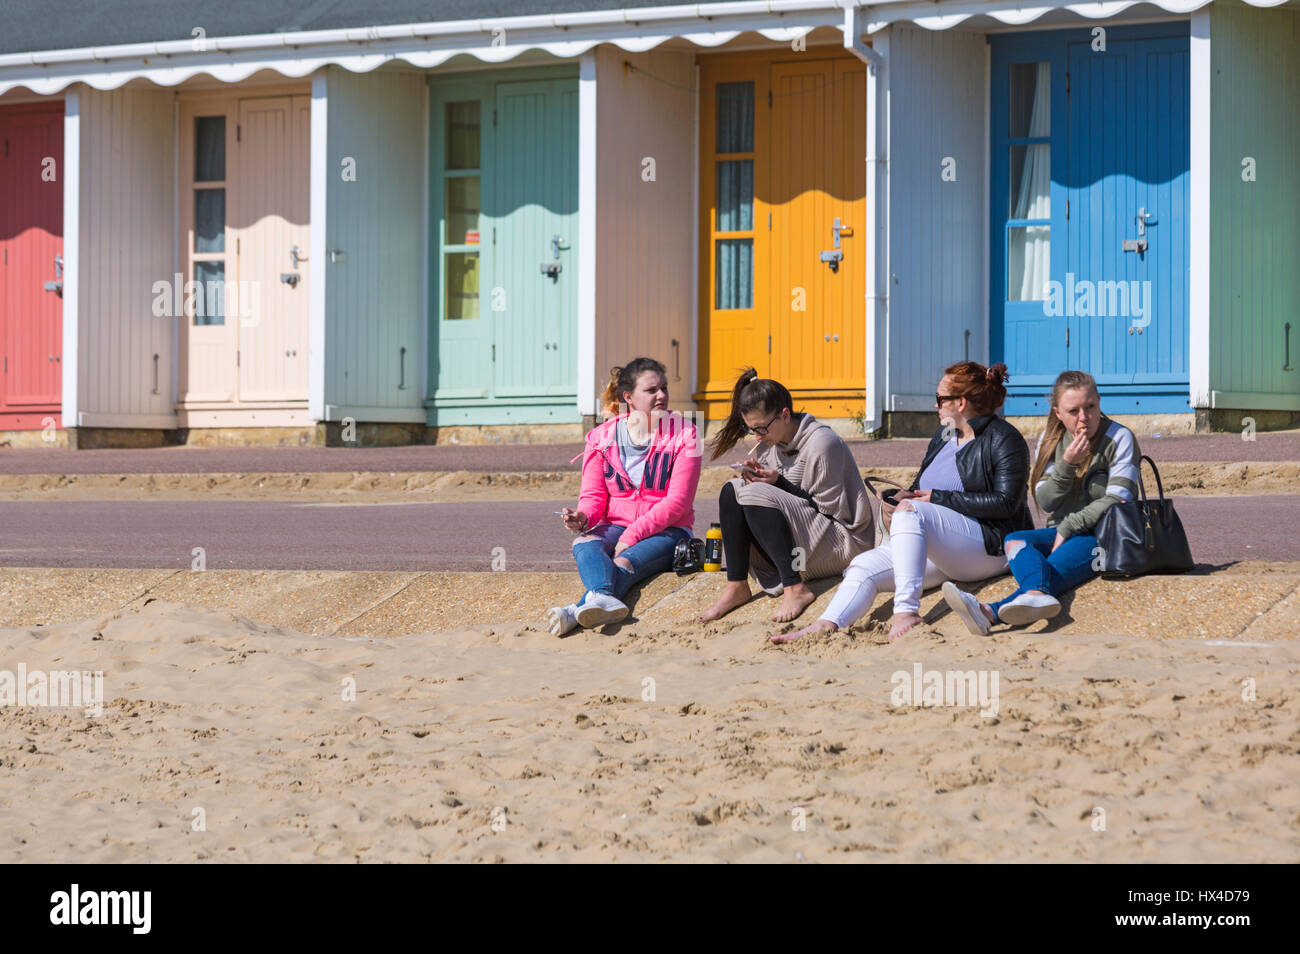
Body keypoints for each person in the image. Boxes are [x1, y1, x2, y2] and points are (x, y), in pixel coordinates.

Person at [776, 361, 1033, 643]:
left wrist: (936, 499)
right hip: (943, 550)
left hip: (990, 547)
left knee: (912, 513)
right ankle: (827, 624)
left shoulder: (1004, 438)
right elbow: (920, 488)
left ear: (960, 403)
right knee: (863, 565)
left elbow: (1006, 502)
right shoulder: (944, 435)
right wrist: (899, 497)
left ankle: (907, 612)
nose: (935, 407)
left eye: (939, 399)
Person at [944, 369, 1141, 634]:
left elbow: (1119, 498)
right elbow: (1046, 501)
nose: (1084, 418)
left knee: (1051, 569)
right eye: (1073, 411)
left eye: (1091, 407)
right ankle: (1013, 603)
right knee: (1015, 539)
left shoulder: (1119, 437)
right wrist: (1067, 465)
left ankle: (991, 612)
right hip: (1060, 531)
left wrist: (1069, 526)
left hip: (1106, 534)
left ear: (1099, 402)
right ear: (1058, 412)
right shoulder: (1051, 442)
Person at [698, 369, 874, 624]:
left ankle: (795, 588)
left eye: (761, 428)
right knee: (732, 490)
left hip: (842, 540)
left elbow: (830, 512)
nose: (758, 437)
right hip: (802, 541)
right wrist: (753, 477)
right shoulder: (773, 442)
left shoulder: (822, 443)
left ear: (784, 414)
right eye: (751, 430)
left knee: (757, 494)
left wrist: (777, 484)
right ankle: (737, 586)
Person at [546, 358, 702, 636]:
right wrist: (583, 517)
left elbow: (678, 502)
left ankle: (574, 611)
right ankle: (597, 600)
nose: (662, 396)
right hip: (616, 524)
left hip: (669, 530)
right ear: (628, 397)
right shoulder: (600, 437)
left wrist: (631, 536)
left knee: (623, 562)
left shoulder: (686, 433)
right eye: (652, 390)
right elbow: (593, 496)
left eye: (664, 388)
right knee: (585, 542)